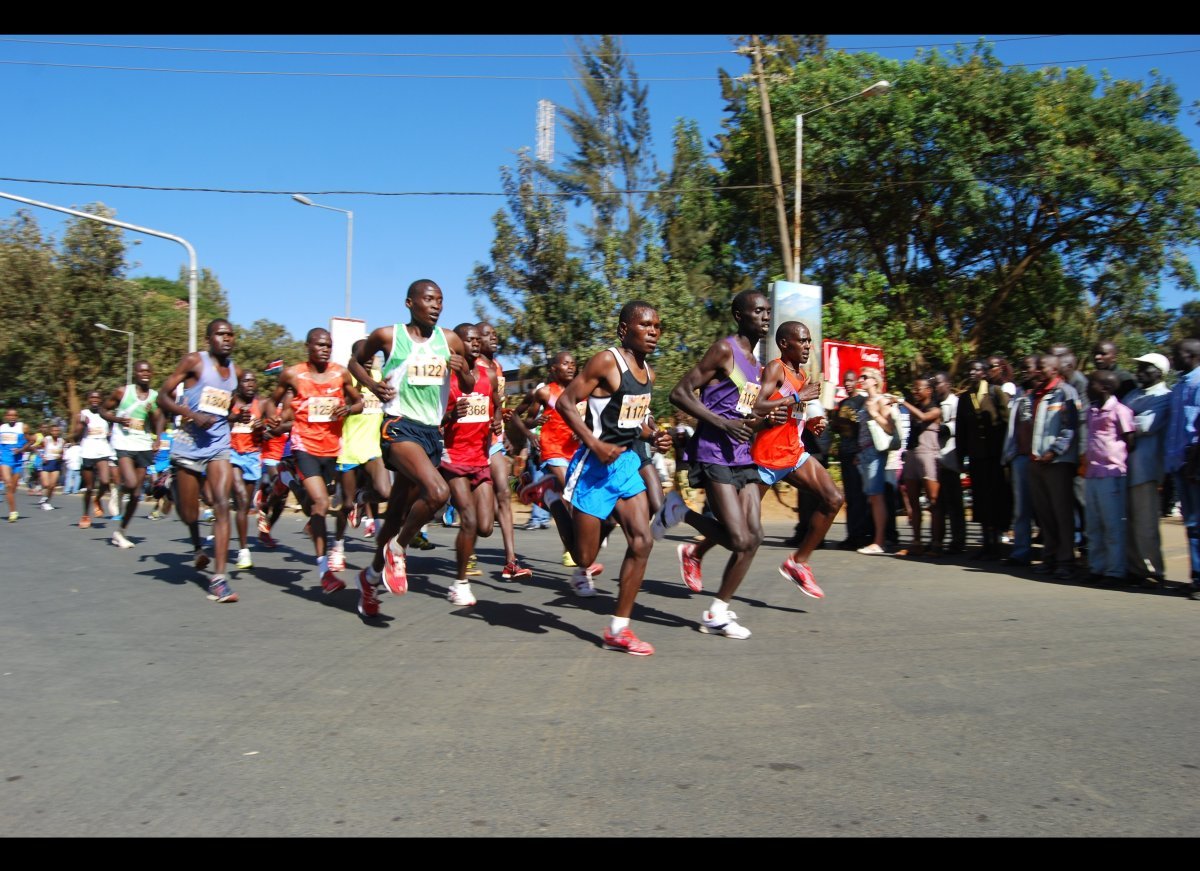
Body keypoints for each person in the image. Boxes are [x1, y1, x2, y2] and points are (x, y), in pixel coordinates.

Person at [347, 279, 474, 619]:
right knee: (438, 492)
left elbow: (469, 384)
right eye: (429, 299)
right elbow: (354, 362)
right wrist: (373, 385)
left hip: (431, 433)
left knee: (395, 515)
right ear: (410, 302)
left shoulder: (450, 340)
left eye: (440, 300)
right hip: (399, 427)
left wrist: (464, 372)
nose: (436, 306)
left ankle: (370, 578)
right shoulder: (388, 336)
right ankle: (399, 549)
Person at [554, 300, 671, 654]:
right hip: (593, 466)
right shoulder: (606, 361)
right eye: (645, 325)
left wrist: (655, 435)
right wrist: (594, 443)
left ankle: (619, 629)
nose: (653, 332)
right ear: (624, 330)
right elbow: (565, 402)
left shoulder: (648, 372)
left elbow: (638, 420)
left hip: (625, 464)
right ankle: (552, 501)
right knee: (584, 558)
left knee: (642, 541)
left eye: (657, 326)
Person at [666, 290, 776, 638]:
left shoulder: (756, 364)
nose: (765, 316)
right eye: (758, 311)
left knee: (754, 537)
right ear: (739, 315)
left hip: (742, 455)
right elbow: (679, 392)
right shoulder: (724, 350)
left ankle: (717, 612)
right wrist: (721, 423)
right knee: (738, 539)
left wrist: (767, 419)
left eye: (768, 311)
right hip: (713, 452)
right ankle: (680, 512)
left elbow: (744, 411)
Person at [750, 321, 843, 596]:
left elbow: (793, 412)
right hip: (766, 459)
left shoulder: (800, 374)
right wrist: (797, 396)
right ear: (784, 344)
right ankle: (695, 551)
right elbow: (758, 406)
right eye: (802, 341)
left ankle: (798, 563)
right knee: (738, 530)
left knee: (834, 498)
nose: (807, 346)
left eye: (808, 341)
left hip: (794, 454)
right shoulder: (775, 368)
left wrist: (810, 423)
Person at [273, 328, 365, 594]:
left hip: (332, 448)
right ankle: (325, 572)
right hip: (304, 445)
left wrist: (348, 408)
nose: (325, 349)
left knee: (317, 504)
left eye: (329, 346)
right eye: (320, 345)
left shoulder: (340, 373)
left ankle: (288, 481)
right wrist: (272, 419)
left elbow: (359, 402)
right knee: (321, 503)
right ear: (308, 346)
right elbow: (271, 402)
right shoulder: (292, 374)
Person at [157, 318, 242, 603]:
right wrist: (191, 415)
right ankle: (173, 490)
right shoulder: (194, 361)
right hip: (188, 446)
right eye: (220, 334)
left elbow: (226, 405)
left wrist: (236, 415)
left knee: (222, 504)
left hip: (218, 445)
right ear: (208, 339)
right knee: (189, 514)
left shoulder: (235, 371)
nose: (227, 339)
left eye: (230, 334)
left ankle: (219, 579)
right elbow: (162, 397)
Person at [438, 323, 505, 606]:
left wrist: (497, 421)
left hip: (480, 458)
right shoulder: (445, 378)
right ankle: (460, 583)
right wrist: (451, 415)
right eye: (469, 340)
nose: (475, 343)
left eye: (478, 339)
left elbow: (496, 403)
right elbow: (434, 418)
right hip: (453, 458)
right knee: (469, 519)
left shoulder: (488, 376)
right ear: (457, 344)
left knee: (486, 526)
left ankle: (459, 536)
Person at [512, 351, 581, 564]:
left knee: (568, 500)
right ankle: (574, 546)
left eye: (573, 363)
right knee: (571, 491)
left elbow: (588, 416)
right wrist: (531, 432)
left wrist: (583, 430)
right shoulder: (544, 392)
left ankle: (569, 548)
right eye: (565, 364)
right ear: (554, 369)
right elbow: (526, 419)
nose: (571, 367)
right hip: (552, 449)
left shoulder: (580, 390)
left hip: (575, 449)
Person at [477, 322, 533, 580]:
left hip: (493, 442)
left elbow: (497, 404)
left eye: (495, 335)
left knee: (503, 493)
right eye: (486, 335)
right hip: (470, 445)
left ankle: (511, 561)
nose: (493, 338)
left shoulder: (498, 367)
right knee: (484, 525)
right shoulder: (470, 367)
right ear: (475, 340)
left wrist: (503, 432)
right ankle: (467, 546)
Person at [333, 341, 392, 563]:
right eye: (362, 355)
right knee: (346, 504)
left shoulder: (379, 377)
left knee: (384, 492)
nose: (368, 359)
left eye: (372, 355)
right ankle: (338, 546)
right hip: (349, 448)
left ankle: (362, 497)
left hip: (373, 447)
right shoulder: (345, 379)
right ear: (354, 358)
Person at [1027, 354, 1080, 580]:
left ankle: (1066, 561)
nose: (1037, 371)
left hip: (1057, 462)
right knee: (1044, 513)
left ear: (1055, 370)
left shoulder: (1066, 392)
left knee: (1061, 512)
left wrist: (1055, 451)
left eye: (1042, 367)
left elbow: (1071, 427)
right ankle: (1049, 557)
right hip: (1036, 462)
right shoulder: (1036, 394)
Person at [1122, 353, 1171, 588]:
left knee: (1146, 524)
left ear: (1159, 372)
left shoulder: (1164, 397)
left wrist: (1123, 422)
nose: (1139, 372)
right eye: (1139, 367)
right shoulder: (1133, 395)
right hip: (1125, 468)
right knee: (1129, 522)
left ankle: (1154, 571)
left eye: (1145, 367)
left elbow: (1146, 425)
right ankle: (1135, 569)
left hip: (1146, 469)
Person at [100, 361, 162, 549]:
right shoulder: (122, 392)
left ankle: (120, 532)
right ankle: (118, 489)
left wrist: (158, 438)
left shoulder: (154, 396)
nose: (145, 374)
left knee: (136, 494)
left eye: (148, 371)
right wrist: (118, 419)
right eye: (141, 371)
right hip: (123, 441)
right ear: (135, 373)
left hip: (143, 443)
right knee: (131, 483)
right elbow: (103, 410)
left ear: (152, 374)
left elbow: (158, 418)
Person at [1083, 370, 1135, 583]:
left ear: (1105, 388)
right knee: (1093, 525)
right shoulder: (1091, 411)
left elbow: (1130, 440)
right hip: (1092, 473)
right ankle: (1097, 567)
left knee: (1113, 525)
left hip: (1112, 474)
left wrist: (1115, 457)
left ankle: (1115, 571)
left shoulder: (1120, 410)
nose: (1087, 388)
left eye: (1091, 384)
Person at [956, 359, 1011, 559]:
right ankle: (986, 543)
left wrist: (1007, 454)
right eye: (970, 370)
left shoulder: (996, 393)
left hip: (995, 457)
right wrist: (960, 457)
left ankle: (997, 543)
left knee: (996, 499)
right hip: (976, 457)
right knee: (980, 500)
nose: (972, 373)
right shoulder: (965, 397)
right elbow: (961, 430)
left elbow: (1006, 423)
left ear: (985, 373)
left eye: (977, 370)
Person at [1165, 338, 1200, 600]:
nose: (1172, 359)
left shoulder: (1198, 384)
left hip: (1195, 463)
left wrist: (1194, 462)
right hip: (1180, 464)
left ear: (1192, 356)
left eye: (1177, 354)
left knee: (1198, 523)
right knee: (1191, 523)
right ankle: (1195, 576)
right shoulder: (1178, 387)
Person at [228, 371, 274, 570]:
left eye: (253, 381)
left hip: (252, 456)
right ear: (238, 384)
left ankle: (242, 548)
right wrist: (234, 417)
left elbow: (272, 432)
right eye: (245, 381)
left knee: (243, 506)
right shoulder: (230, 402)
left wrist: (262, 428)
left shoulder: (262, 403)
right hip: (231, 453)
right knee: (241, 496)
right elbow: (219, 422)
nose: (250, 384)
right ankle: (244, 550)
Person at [1001, 355, 1041, 566]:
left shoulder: (1044, 394)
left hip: (1043, 459)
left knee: (1047, 508)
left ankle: (1054, 555)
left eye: (1028, 367)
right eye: (1022, 367)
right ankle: (1021, 551)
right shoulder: (1018, 394)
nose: (1024, 371)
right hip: (1021, 458)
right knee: (1021, 509)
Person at [896, 376, 942, 557]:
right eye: (913, 388)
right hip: (912, 454)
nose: (915, 391)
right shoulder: (915, 407)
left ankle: (936, 543)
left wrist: (903, 402)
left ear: (929, 390)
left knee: (933, 501)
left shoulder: (935, 409)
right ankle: (916, 542)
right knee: (913, 501)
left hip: (928, 454)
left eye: (918, 388)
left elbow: (923, 417)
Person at [854, 368, 898, 555]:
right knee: (872, 497)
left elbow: (890, 428)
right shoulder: (865, 401)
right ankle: (876, 538)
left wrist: (874, 414)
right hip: (864, 452)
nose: (861, 379)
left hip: (875, 452)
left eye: (865, 377)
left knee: (876, 496)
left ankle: (879, 541)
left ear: (875, 381)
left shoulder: (881, 400)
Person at [929, 370, 966, 556]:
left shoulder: (954, 403)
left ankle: (958, 540)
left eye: (939, 383)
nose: (936, 387)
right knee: (938, 503)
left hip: (949, 459)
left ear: (948, 384)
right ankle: (938, 539)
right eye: (934, 384)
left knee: (954, 503)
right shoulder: (934, 403)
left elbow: (955, 426)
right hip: (934, 460)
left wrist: (939, 427)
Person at [833, 369, 870, 549]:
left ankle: (861, 535)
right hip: (845, 454)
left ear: (856, 382)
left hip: (858, 455)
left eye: (850, 380)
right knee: (850, 497)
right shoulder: (842, 404)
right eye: (845, 381)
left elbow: (864, 428)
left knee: (859, 496)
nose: (847, 384)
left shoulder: (863, 402)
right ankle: (852, 535)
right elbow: (837, 428)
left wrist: (860, 452)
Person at [74, 390, 115, 530]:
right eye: (92, 397)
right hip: (87, 451)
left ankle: (97, 499)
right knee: (89, 487)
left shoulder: (106, 414)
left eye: (97, 398)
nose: (95, 400)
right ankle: (85, 515)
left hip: (103, 450)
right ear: (88, 399)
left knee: (105, 481)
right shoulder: (82, 414)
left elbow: (112, 431)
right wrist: (83, 424)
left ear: (101, 400)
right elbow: (75, 437)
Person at [0, 408, 27, 522]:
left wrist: (20, 450)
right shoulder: (2, 428)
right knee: (8, 484)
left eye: (14, 415)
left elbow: (30, 441)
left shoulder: (22, 427)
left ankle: (10, 499)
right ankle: (13, 512)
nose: (12, 417)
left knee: (13, 488)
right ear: (6, 417)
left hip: (17, 460)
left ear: (17, 417)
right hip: (4, 459)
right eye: (10, 415)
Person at [38, 422, 65, 511]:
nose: (55, 432)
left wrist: (61, 456)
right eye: (53, 431)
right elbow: (37, 448)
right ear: (51, 431)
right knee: (46, 484)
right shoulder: (46, 439)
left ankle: (46, 502)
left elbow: (62, 452)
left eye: (57, 431)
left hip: (56, 463)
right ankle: (44, 498)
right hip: (47, 463)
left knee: (52, 485)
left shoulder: (62, 441)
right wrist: (42, 456)